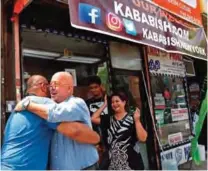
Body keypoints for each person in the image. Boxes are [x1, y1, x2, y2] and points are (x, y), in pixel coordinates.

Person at [1, 75, 100, 170]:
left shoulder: (18, 108)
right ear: (43, 87)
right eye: (50, 85)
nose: (52, 89)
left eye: (56, 85)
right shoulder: (43, 103)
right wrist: (97, 138)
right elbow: (75, 131)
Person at [91, 91, 148, 170]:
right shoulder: (108, 119)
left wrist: (137, 120)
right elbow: (93, 118)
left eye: (117, 101)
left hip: (131, 163)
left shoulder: (132, 118)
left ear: (124, 102)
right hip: (112, 163)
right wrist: (104, 104)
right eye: (112, 102)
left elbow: (143, 138)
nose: (114, 104)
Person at [85, 76, 109, 167]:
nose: (94, 90)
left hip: (109, 135)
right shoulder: (87, 103)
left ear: (100, 86)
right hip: (95, 137)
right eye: (91, 88)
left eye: (96, 87)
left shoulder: (109, 100)